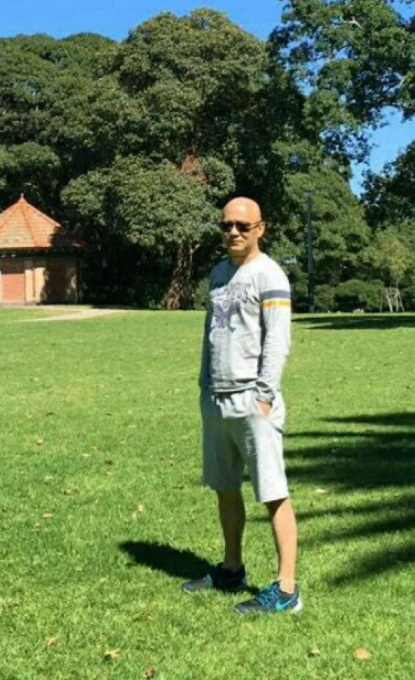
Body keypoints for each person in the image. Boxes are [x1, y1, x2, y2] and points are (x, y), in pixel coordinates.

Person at [182, 196, 301, 615]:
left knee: (273, 492)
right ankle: (232, 569)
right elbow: (210, 333)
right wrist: (204, 385)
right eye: (226, 225)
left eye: (242, 226)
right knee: (226, 487)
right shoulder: (218, 274)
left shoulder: (270, 275)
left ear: (260, 229)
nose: (233, 232)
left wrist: (264, 395)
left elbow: (278, 340)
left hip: (253, 399)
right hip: (216, 398)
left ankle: (287, 589)